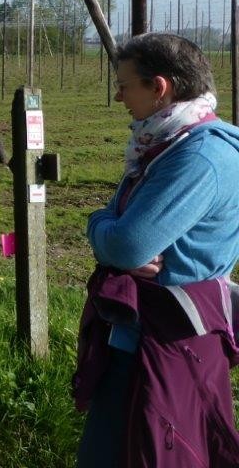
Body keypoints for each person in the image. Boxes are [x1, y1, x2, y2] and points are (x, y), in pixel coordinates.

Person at [75, 33, 239, 467]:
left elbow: (127, 244)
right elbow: (115, 224)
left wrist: (100, 226)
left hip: (168, 337)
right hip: (143, 335)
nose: (118, 95)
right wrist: (103, 224)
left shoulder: (198, 157)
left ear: (159, 87)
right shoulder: (163, 145)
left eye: (125, 84)